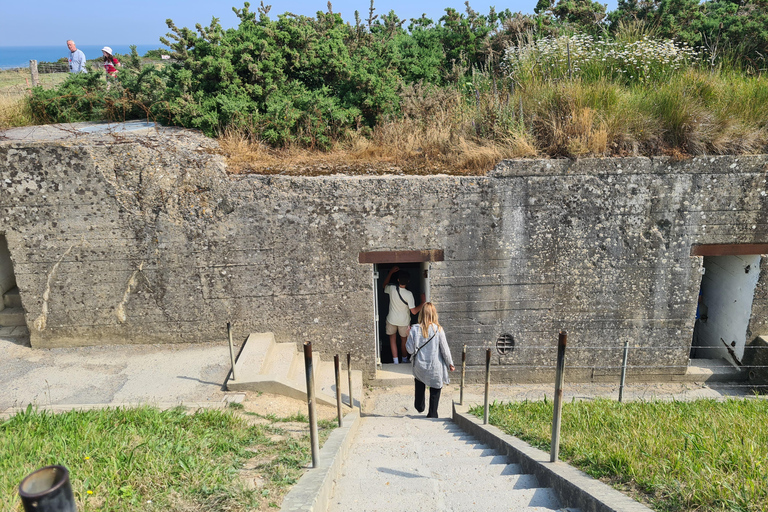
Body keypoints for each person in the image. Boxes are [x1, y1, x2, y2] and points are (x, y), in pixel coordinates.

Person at [406, 302, 455, 418]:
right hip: (434, 366)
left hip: (419, 366)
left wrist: (408, 335)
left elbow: (409, 350)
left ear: (421, 314)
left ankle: (419, 406)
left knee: (420, 382)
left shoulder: (414, 329)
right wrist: (450, 363)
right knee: (436, 387)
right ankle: (432, 413)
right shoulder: (438, 330)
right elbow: (445, 349)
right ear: (434, 314)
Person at [382, 266, 425, 364]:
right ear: (408, 281)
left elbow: (384, 285)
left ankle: (395, 361)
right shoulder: (409, 294)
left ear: (398, 280)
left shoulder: (392, 289)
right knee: (403, 340)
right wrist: (422, 303)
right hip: (404, 321)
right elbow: (414, 311)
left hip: (391, 319)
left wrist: (390, 272)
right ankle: (404, 360)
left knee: (392, 339)